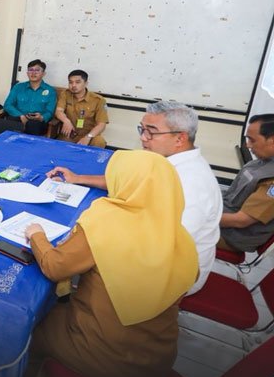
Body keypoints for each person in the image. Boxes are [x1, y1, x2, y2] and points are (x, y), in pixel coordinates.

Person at [23, 150, 197, 377]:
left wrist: (37, 235)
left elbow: (55, 266)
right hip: (157, 359)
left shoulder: (107, 221)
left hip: (105, 358)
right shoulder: (179, 235)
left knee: (27, 330)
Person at [48, 101, 221, 296]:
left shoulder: (191, 184)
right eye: (142, 129)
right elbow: (128, 179)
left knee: (74, 251)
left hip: (171, 274)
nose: (142, 138)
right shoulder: (165, 162)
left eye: (151, 132)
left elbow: (160, 249)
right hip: (154, 250)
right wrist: (78, 178)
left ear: (180, 138)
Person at [218, 114, 274, 255]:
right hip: (224, 220)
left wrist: (200, 217)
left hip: (232, 236)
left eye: (252, 140)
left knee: (169, 229)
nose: (247, 145)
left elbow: (240, 221)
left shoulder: (271, 181)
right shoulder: (259, 163)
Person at [0, 58, 56, 136]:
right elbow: (8, 104)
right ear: (27, 73)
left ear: (43, 73)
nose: (33, 73)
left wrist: (41, 117)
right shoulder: (18, 87)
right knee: (9, 122)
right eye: (31, 70)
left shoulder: (50, 91)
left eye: (37, 70)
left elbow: (50, 112)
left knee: (33, 125)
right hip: (18, 118)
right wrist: (20, 115)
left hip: (37, 122)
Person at [54, 69, 108, 147]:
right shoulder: (65, 94)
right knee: (59, 147)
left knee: (99, 142)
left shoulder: (98, 100)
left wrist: (88, 137)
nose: (73, 85)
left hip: (89, 135)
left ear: (86, 83)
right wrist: (66, 121)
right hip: (70, 133)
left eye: (77, 82)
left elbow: (101, 124)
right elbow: (59, 111)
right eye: (70, 82)